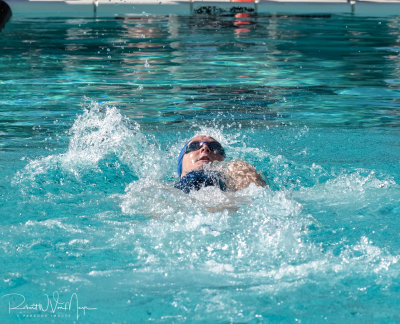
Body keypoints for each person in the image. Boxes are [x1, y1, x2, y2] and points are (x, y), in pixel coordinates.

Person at [174, 135, 266, 193]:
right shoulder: (167, 191)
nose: (205, 148)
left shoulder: (234, 187)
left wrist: (241, 170)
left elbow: (260, 195)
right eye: (194, 146)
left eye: (215, 147)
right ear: (181, 164)